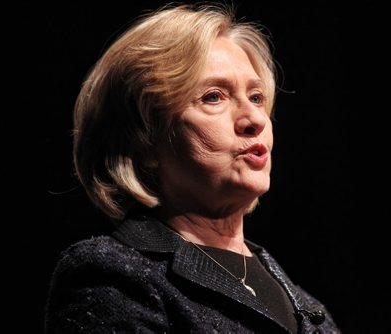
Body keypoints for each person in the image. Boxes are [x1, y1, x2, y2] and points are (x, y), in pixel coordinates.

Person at [44, 3, 341, 333]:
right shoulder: (112, 277)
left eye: (256, 97)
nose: (255, 119)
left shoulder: (309, 308)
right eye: (214, 97)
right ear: (144, 138)